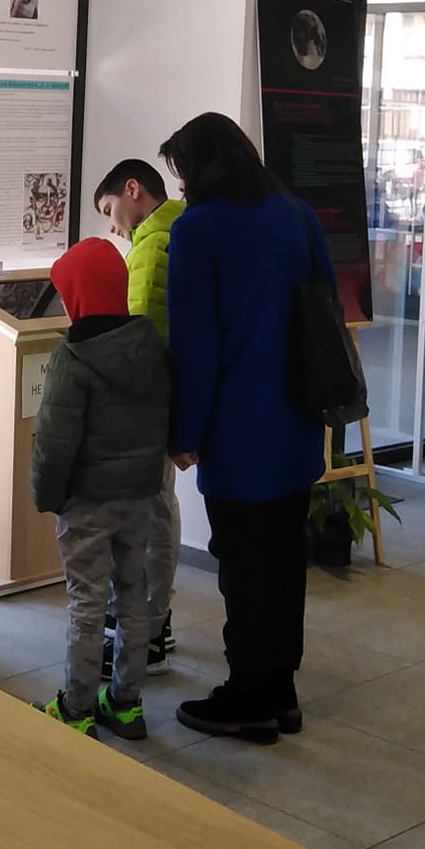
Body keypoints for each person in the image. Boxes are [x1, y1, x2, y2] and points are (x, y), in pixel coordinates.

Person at [162, 112, 329, 743]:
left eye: (182, 172)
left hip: (238, 429)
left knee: (242, 565)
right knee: (284, 560)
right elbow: (324, 311)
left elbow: (196, 346)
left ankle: (248, 698)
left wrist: (185, 433)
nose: (180, 186)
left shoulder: (198, 230)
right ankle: (281, 690)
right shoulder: (297, 214)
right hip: (297, 422)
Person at [33, 237, 168, 741]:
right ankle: (126, 703)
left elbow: (54, 443)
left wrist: (48, 496)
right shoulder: (151, 346)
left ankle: (77, 707)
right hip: (140, 496)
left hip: (87, 501)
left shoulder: (72, 358)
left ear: (77, 295)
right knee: (133, 595)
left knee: (86, 603)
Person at [91, 158, 186, 672]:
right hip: (167, 399)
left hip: (150, 404)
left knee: (151, 515)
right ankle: (152, 624)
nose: (112, 225)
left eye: (109, 210)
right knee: (159, 508)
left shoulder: (152, 247)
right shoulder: (176, 231)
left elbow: (141, 339)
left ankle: (147, 632)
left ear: (132, 190)